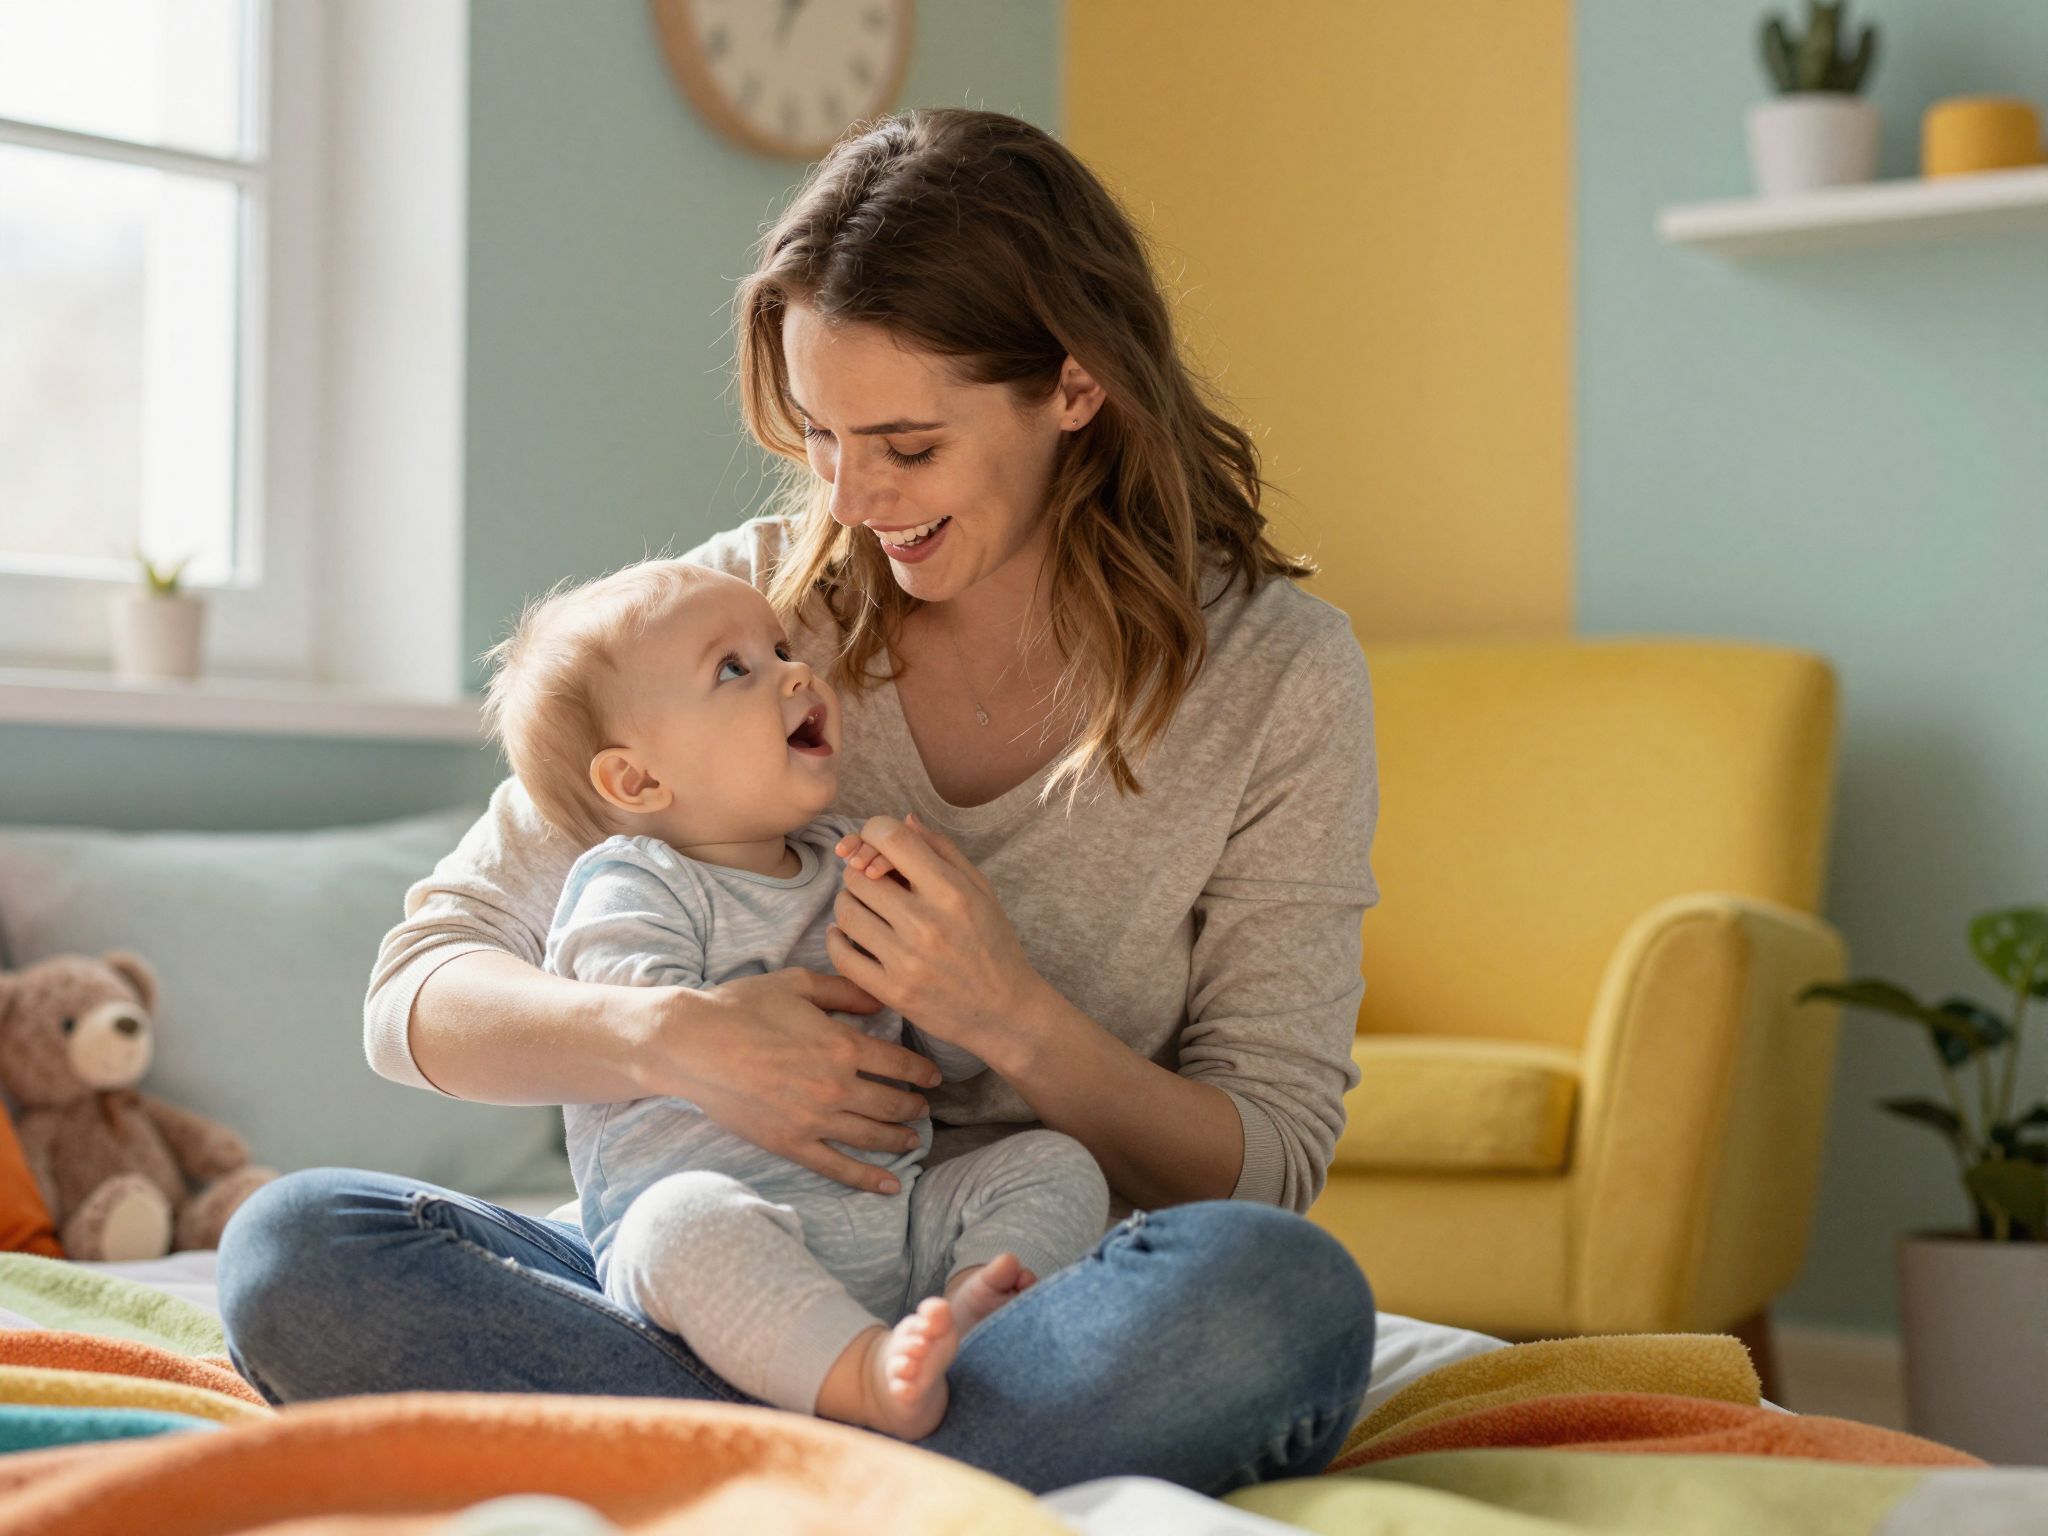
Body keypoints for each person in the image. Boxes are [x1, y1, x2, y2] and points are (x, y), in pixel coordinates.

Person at [219, 106, 1382, 1497]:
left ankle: (742, 1459)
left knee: (1278, 1293)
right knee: (297, 1250)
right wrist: (677, 1041)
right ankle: (886, 1459)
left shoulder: (1278, 677)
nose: (854, 496)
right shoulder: (740, 616)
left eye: (907, 444)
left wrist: (1013, 1018)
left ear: (1074, 385)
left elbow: (1267, 1161)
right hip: (727, 1264)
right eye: (819, 435)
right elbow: (415, 994)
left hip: (1010, 1298)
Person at [490, 557, 1109, 1438]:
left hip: (893, 1236)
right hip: (718, 1254)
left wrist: (950, 979)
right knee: (677, 1223)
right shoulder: (634, 882)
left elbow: (946, 1064)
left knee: (1053, 1165)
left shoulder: (848, 864)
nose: (794, 673)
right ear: (637, 781)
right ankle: (866, 1380)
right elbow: (630, 1011)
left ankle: (973, 1325)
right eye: (732, 669)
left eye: (780, 649)